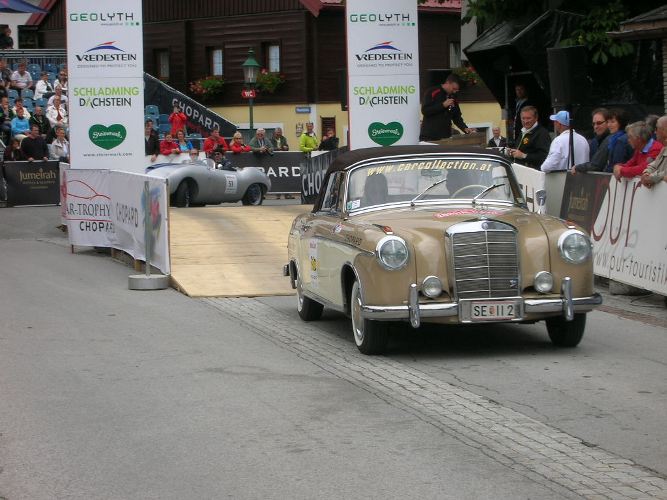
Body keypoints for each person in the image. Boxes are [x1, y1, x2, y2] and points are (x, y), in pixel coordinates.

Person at [419, 73, 475, 141]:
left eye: (456, 90)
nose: (454, 92)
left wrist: (464, 128)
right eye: (453, 89)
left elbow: (457, 116)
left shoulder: (453, 97)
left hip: (445, 137)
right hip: (429, 136)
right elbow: (425, 111)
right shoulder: (432, 91)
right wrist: (443, 105)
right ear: (448, 83)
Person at [572, 108, 611, 174]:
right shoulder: (594, 142)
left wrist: (577, 168)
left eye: (599, 123)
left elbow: (595, 165)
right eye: (594, 124)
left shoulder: (611, 140)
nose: (595, 126)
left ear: (608, 123)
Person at [641, 115, 667, 188]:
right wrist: (646, 173)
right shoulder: (664, 149)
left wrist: (652, 178)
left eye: (657, 128)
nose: (655, 132)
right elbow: (653, 165)